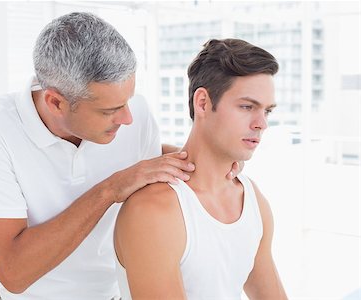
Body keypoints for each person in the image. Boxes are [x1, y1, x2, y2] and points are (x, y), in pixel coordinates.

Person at [0, 13, 241, 300]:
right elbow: (14, 273)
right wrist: (110, 190)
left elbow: (151, 164)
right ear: (56, 102)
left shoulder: (136, 115)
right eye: (109, 111)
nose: (128, 118)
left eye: (128, 101)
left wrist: (217, 157)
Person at [114, 38, 288, 299]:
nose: (261, 123)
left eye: (267, 111)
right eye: (247, 107)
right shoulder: (154, 210)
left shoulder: (252, 199)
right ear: (203, 103)